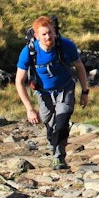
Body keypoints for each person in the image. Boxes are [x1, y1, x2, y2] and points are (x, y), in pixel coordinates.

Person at [15, 15, 89, 169]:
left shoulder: (66, 45)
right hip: (43, 93)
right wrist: (29, 109)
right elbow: (19, 82)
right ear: (36, 36)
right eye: (44, 34)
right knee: (50, 126)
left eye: (50, 32)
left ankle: (59, 156)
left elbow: (79, 66)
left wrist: (85, 92)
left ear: (55, 31)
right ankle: (53, 144)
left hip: (65, 88)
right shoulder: (28, 52)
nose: (48, 36)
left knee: (62, 122)